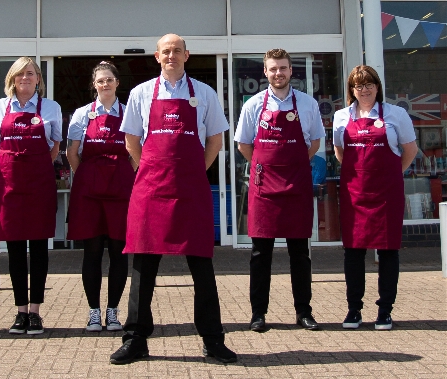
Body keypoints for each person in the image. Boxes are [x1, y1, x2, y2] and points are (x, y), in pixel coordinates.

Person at [109, 34, 236, 365]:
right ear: (156, 56)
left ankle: (212, 339)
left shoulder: (205, 94)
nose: (171, 56)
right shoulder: (140, 94)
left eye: (177, 51)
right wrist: (147, 170)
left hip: (190, 191)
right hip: (150, 190)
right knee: (142, 267)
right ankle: (135, 338)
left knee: (202, 268)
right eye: (166, 51)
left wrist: (194, 172)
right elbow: (131, 141)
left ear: (186, 55)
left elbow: (215, 141)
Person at [235, 49, 324, 333]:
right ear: (265, 72)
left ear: (290, 71)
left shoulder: (308, 104)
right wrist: (265, 166)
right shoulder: (253, 105)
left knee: (300, 254)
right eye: (273, 69)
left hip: (296, 186)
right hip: (264, 189)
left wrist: (291, 165)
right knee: (261, 254)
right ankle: (258, 314)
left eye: (283, 68)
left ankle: (304, 312)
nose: (278, 73)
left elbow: (314, 144)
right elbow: (244, 145)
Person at [334, 65, 417, 330]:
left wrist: (390, 174)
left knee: (388, 251)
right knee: (353, 252)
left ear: (378, 87)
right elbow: (340, 152)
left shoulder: (397, 114)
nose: (365, 90)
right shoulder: (340, 117)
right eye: (359, 86)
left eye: (370, 84)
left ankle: (385, 310)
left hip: (386, 194)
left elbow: (410, 150)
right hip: (354, 193)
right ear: (352, 90)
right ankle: (354, 310)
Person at [0, 57, 62, 335]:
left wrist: (36, 166)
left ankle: (36, 312)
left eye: (30, 73)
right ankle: (20, 311)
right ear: (12, 79)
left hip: (39, 184)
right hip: (10, 186)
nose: (25, 78)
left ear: (38, 79)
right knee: (16, 249)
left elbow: (54, 147)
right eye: (20, 74)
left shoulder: (52, 108)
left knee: (39, 247)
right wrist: (9, 170)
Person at [67, 61, 135, 332]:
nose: (105, 84)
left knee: (119, 252)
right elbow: (73, 153)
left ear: (117, 83)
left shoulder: (130, 113)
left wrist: (121, 174)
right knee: (92, 252)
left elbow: (135, 153)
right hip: (89, 193)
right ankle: (94, 312)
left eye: (109, 79)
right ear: (94, 85)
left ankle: (113, 312)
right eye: (100, 81)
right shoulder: (82, 115)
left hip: (121, 191)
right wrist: (87, 176)